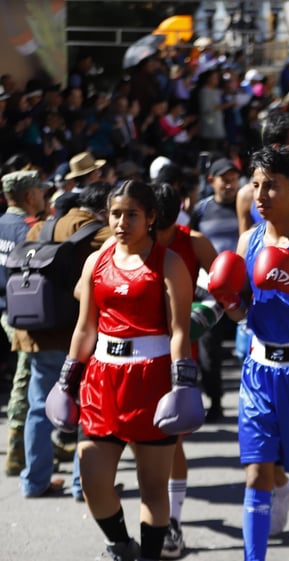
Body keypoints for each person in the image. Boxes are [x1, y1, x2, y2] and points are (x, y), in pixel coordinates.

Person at [49, 179, 200, 560]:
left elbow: (180, 328)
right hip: (101, 379)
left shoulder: (169, 262)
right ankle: (119, 545)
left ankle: (149, 555)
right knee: (93, 482)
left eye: (132, 214)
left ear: (150, 217)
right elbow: (86, 327)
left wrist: (183, 383)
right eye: (116, 213)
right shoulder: (96, 260)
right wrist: (67, 378)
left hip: (152, 382)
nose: (121, 222)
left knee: (152, 488)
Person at [207, 147, 289, 561]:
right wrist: (230, 304)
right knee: (257, 472)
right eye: (256, 184)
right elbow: (244, 308)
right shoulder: (249, 239)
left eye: (271, 186)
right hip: (259, 370)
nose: (259, 194)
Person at [14, 181, 111, 499]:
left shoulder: (38, 227)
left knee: (38, 408)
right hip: (76, 333)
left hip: (38, 330)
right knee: (85, 408)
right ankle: (83, 485)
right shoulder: (97, 230)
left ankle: (34, 481)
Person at [151, 182, 219, 559]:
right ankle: (152, 520)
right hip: (135, 353)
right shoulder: (133, 236)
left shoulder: (193, 241)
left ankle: (171, 522)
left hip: (179, 350)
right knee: (141, 440)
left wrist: (204, 316)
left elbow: (227, 288)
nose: (156, 234)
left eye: (163, 227)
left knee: (172, 439)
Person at [1, 170, 48, 477]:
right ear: (30, 196)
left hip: (4, 308)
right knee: (26, 374)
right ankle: (17, 449)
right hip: (20, 313)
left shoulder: (2, 224)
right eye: (40, 191)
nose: (44, 195)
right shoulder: (29, 228)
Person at [189, 158, 242, 420]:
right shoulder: (201, 210)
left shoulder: (247, 207)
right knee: (209, 350)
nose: (230, 183)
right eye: (224, 178)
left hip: (246, 288)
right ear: (212, 181)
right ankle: (216, 401)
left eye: (234, 177)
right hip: (211, 291)